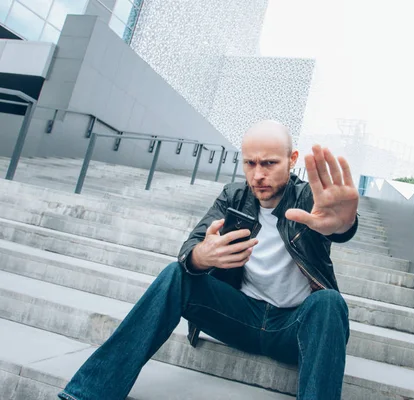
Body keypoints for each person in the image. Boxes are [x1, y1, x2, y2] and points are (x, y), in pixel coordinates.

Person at [58, 120, 359, 400]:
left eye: (269, 163)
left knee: (329, 302)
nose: (258, 175)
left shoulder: (310, 200)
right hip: (239, 317)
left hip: (293, 328)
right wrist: (201, 256)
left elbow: (339, 226)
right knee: (175, 275)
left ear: (292, 159)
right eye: (250, 163)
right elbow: (190, 248)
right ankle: (86, 394)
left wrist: (344, 224)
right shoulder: (234, 196)